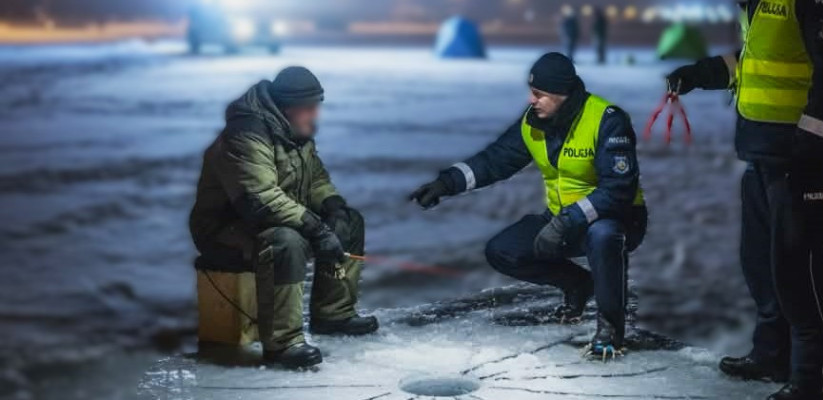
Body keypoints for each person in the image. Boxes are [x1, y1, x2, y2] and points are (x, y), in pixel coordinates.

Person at [666, 0, 823, 400]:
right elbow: (755, 59)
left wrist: (811, 146)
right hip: (763, 153)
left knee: (799, 270)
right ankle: (771, 356)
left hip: (799, 159)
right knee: (763, 263)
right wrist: (699, 72)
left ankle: (809, 381)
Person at [409, 52, 647, 358]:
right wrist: (446, 183)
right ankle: (579, 284)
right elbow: (495, 160)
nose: (531, 100)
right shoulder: (533, 123)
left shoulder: (607, 120)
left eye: (539, 94)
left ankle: (611, 330)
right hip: (564, 217)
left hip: (618, 218)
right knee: (503, 250)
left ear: (562, 95)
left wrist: (566, 221)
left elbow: (618, 190)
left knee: (603, 235)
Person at [189, 66, 378, 370]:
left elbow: (315, 180)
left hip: (271, 217)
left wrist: (332, 205)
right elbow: (260, 198)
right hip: (225, 228)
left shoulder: (295, 130)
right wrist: (316, 228)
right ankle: (283, 344)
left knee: (348, 221)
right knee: (287, 242)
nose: (316, 114)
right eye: (310, 107)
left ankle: (334, 314)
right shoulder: (246, 135)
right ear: (290, 107)